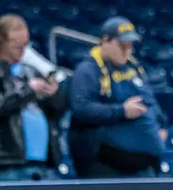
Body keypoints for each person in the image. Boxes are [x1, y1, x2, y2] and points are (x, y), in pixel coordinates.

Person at [0, 14, 67, 180]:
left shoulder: (31, 71)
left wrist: (53, 94)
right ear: (1, 42)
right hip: (5, 162)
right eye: (17, 45)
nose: (22, 50)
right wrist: (28, 89)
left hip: (41, 162)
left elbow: (56, 110)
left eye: (25, 44)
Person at [69, 16, 167, 179]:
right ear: (105, 41)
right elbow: (81, 108)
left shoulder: (133, 66)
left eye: (130, 46)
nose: (127, 51)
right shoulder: (88, 70)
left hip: (143, 166)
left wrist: (161, 125)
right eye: (122, 45)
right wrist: (121, 111)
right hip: (106, 167)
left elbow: (150, 99)